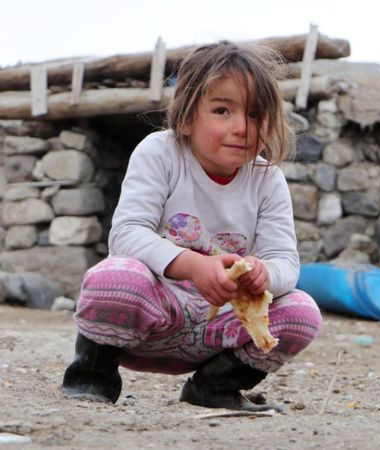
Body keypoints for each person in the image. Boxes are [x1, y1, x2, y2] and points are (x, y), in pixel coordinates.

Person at [61, 41, 322, 411]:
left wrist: (264, 274)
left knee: (302, 312)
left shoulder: (268, 180)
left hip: (220, 329)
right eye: (221, 110)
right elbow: (126, 234)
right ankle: (92, 378)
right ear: (185, 117)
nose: (241, 127)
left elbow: (285, 262)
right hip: (154, 317)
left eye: (255, 114)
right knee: (114, 277)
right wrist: (193, 266)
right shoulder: (160, 153)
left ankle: (215, 388)